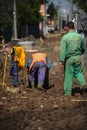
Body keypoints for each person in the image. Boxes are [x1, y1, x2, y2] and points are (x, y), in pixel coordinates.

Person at [59, 21, 87, 96]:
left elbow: (63, 50)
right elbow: (83, 48)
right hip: (78, 57)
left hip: (69, 59)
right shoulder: (79, 36)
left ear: (67, 28)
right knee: (79, 73)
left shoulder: (65, 38)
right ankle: (83, 85)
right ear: (73, 27)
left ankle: (68, 93)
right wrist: (80, 53)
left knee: (68, 75)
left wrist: (61, 60)